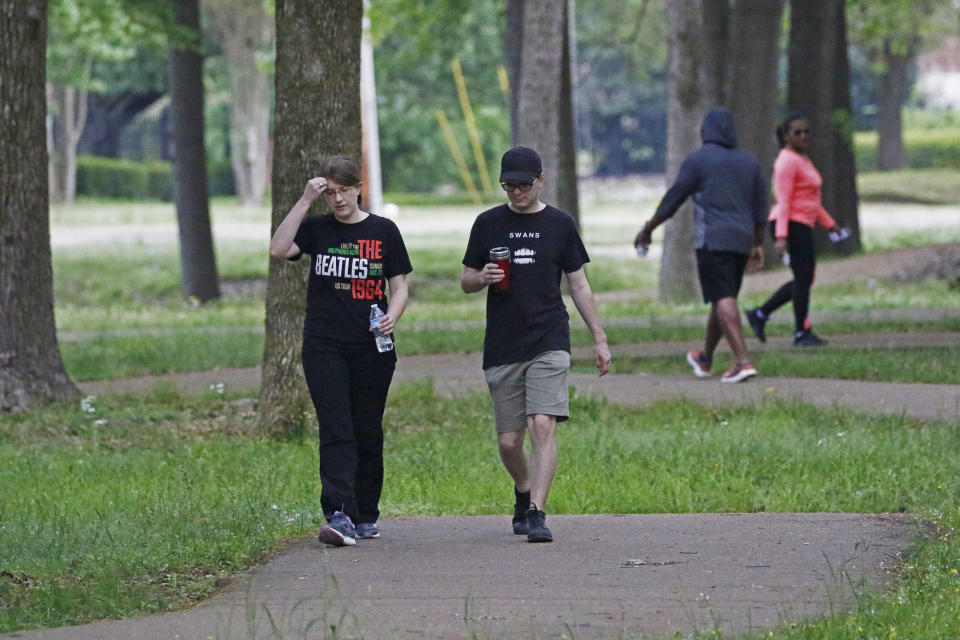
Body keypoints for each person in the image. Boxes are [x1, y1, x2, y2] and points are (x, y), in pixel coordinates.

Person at [461, 146, 611, 543]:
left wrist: (599, 338)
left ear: (540, 180)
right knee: (510, 441)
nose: (515, 192)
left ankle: (537, 512)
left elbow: (578, 283)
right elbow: (465, 280)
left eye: (523, 184)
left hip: (549, 336)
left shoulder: (560, 224)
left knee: (542, 423)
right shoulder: (487, 223)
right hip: (504, 342)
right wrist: (483, 278)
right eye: (508, 185)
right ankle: (522, 489)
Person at [269, 155, 412, 547]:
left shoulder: (384, 231)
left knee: (367, 428)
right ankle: (339, 514)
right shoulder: (317, 228)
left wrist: (392, 316)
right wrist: (303, 201)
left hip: (372, 346)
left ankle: (366, 513)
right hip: (324, 344)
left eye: (344, 190)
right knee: (335, 427)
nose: (338, 200)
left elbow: (399, 287)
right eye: (330, 193)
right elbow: (279, 249)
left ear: (358, 188)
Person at [634, 107, 766, 383]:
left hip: (713, 240)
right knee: (723, 296)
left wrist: (648, 229)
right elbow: (760, 207)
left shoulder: (698, 160)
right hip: (741, 241)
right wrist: (757, 244)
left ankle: (743, 362)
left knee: (722, 297)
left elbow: (673, 199)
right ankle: (704, 357)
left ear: (705, 131)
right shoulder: (749, 162)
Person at [745, 114, 842, 347]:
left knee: (804, 279)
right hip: (790, 224)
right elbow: (784, 201)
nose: (803, 136)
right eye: (797, 132)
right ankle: (800, 332)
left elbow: (810, 200)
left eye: (806, 131)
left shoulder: (802, 159)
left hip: (802, 223)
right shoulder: (786, 161)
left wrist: (829, 223)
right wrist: (781, 236)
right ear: (786, 136)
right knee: (803, 278)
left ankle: (761, 314)